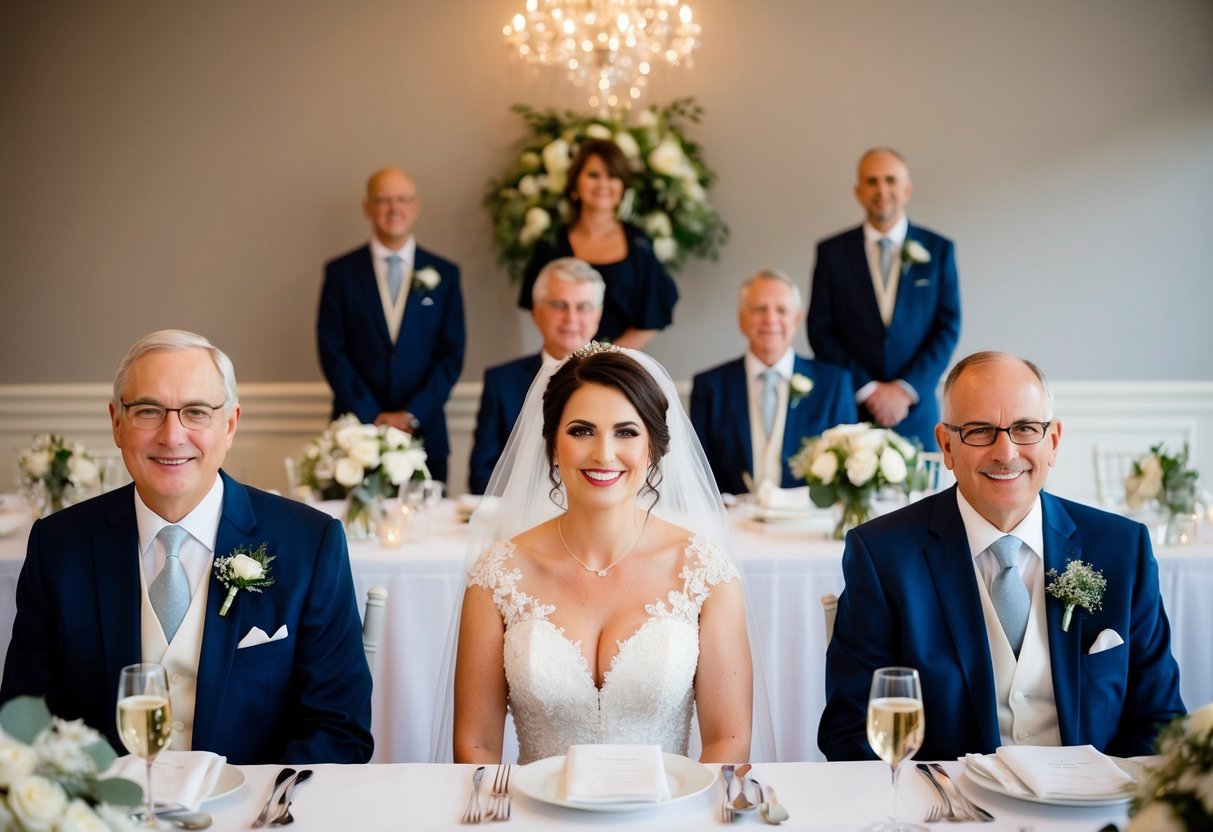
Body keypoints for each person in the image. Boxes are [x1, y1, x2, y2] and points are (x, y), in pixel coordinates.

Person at [1, 330, 373, 765]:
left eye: (196, 412)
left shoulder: (310, 544)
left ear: (229, 424)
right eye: (147, 411)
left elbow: (339, 730)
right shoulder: (59, 547)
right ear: (116, 424)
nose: (172, 436)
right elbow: (23, 725)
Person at [818, 351, 1184, 761]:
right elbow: (850, 732)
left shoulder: (1121, 547)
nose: (1006, 452)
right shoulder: (883, 555)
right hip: (948, 815)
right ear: (946, 446)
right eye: (979, 430)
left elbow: (1160, 721)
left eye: (1025, 428)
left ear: (1054, 442)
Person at [451, 343, 764, 764]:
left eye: (626, 432)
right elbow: (476, 745)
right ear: (552, 445)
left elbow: (728, 741)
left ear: (652, 447)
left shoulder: (705, 572)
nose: (603, 453)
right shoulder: (496, 575)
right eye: (581, 431)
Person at [806, 148, 961, 450]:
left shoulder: (939, 250)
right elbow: (820, 330)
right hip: (851, 411)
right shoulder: (832, 253)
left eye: (890, 180)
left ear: (906, 189)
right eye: (872, 181)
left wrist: (905, 390)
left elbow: (948, 327)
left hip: (916, 412)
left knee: (925, 497)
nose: (882, 190)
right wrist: (868, 390)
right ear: (858, 191)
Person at [318, 166, 465, 482]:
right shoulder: (340, 273)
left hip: (425, 432)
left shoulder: (445, 274)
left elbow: (451, 354)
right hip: (356, 437)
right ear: (367, 207)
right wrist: (373, 416)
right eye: (383, 200)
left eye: (402, 199)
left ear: (415, 205)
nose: (394, 208)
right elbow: (332, 350)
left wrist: (412, 414)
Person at [691, 269, 857, 496]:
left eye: (781, 310)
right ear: (741, 319)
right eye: (759, 309)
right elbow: (698, 472)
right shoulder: (710, 387)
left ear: (796, 319)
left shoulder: (834, 383)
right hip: (731, 522)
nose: (770, 319)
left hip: (809, 522)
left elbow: (846, 467)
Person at [516, 139, 679, 350]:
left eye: (613, 176)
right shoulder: (552, 243)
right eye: (594, 175)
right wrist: (572, 355)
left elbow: (651, 316)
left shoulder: (639, 244)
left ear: (622, 186)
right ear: (575, 182)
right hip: (563, 359)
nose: (603, 184)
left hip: (622, 362)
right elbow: (538, 308)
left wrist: (605, 359)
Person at [468, 257, 604, 494]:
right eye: (559, 305)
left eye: (582, 307)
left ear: (597, 316)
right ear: (536, 313)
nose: (571, 318)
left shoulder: (621, 381)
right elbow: (482, 475)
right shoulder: (501, 382)